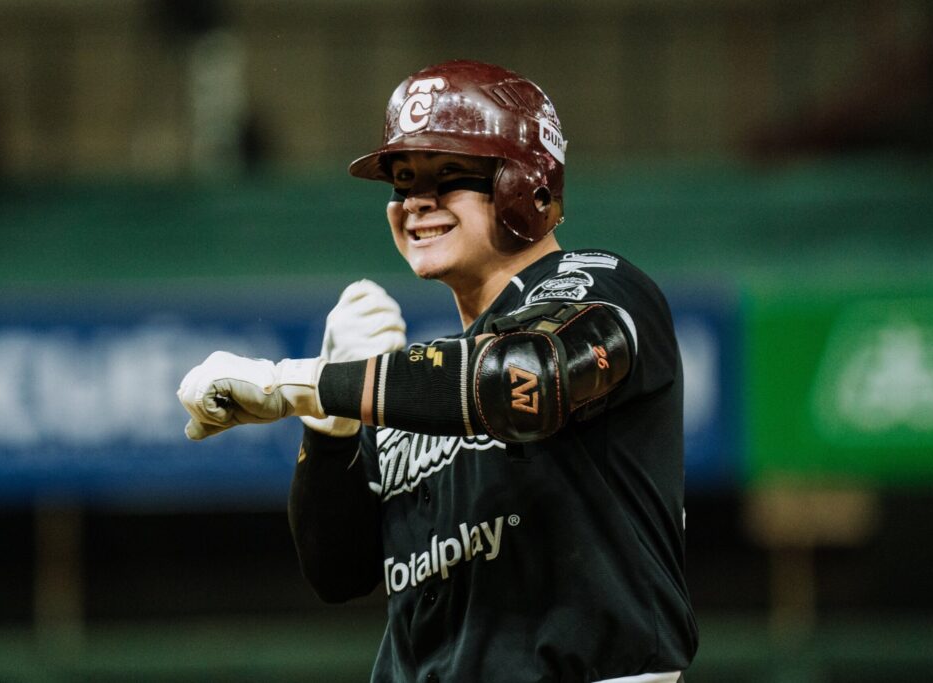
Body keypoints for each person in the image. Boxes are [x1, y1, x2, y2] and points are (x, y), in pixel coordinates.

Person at [178, 59, 697, 683]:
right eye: (403, 181)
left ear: (523, 185)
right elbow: (337, 571)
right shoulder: (418, 384)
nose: (416, 202)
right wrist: (331, 423)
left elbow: (520, 377)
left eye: (448, 176)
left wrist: (306, 384)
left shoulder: (605, 285)